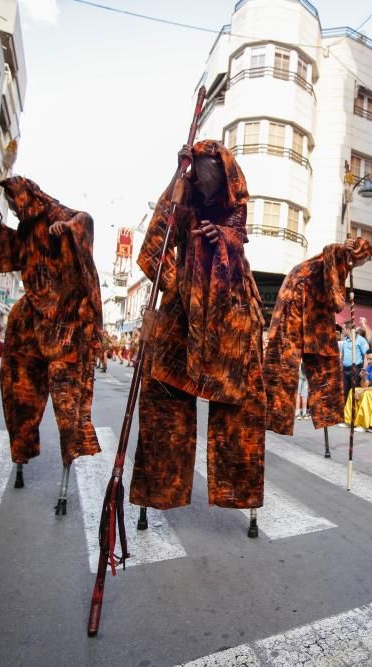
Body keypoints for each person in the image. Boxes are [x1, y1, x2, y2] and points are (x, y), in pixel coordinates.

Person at [131, 140, 265, 512]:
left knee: (243, 403)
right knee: (161, 395)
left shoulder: (234, 203)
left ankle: (239, 491)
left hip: (231, 316)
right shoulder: (184, 196)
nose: (203, 185)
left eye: (209, 178)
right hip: (181, 313)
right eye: (198, 177)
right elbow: (155, 244)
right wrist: (177, 287)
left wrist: (222, 238)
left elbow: (236, 235)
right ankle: (159, 489)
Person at [0, 175, 103, 468]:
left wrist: (68, 229)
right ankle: (23, 444)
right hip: (31, 314)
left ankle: (73, 447)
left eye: (14, 204)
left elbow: (85, 220)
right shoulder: (26, 228)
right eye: (10, 207)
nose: (14, 210)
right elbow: (17, 254)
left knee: (67, 390)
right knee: (18, 383)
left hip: (64, 317)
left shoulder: (55, 212)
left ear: (26, 196)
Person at [264, 238, 372, 435]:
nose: (364, 263)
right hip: (298, 299)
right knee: (286, 358)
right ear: (357, 254)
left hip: (311, 305)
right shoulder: (338, 256)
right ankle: (276, 414)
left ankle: (324, 413)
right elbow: (335, 299)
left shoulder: (342, 262)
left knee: (322, 360)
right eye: (364, 259)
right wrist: (344, 298)